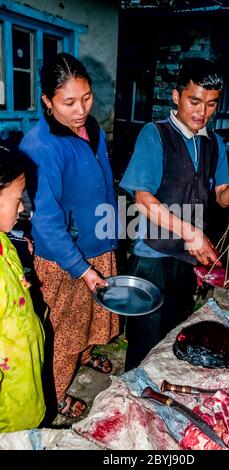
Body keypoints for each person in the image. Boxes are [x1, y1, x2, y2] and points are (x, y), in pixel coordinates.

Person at [120, 58, 229, 371]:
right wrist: (190, 232)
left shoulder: (213, 143)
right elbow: (143, 198)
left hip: (186, 257)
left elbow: (222, 197)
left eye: (211, 104)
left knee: (175, 328)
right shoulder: (155, 134)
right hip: (153, 252)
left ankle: (163, 383)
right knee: (144, 334)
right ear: (176, 96)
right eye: (194, 101)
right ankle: (133, 393)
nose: (202, 112)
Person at [20, 53, 119, 418]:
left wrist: (110, 236)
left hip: (97, 244)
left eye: (87, 97)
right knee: (63, 335)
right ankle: (57, 395)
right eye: (69, 102)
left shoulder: (92, 130)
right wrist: (84, 269)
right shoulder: (42, 146)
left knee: (90, 320)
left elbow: (106, 185)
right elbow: (46, 222)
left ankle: (87, 354)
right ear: (47, 101)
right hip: (65, 260)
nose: (81, 110)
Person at [0, 145, 45, 432]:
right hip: (8, 416)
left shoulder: (4, 242)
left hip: (24, 386)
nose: (23, 208)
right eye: (17, 199)